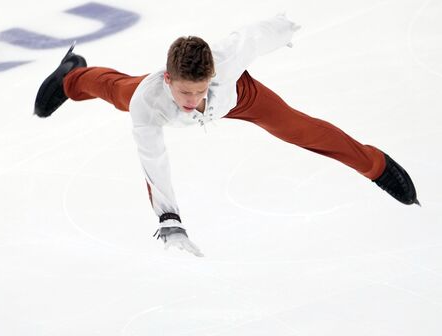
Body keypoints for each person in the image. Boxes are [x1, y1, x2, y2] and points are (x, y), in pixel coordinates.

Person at [34, 14, 419, 257]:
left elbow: (254, 34)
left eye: (200, 90)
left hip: (241, 97)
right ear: (168, 78)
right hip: (146, 96)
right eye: (186, 91)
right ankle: (71, 75)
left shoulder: (227, 60)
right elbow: (154, 162)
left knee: (299, 128)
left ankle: (376, 165)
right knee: (116, 90)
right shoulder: (148, 101)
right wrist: (170, 221)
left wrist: (284, 29)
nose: (194, 100)